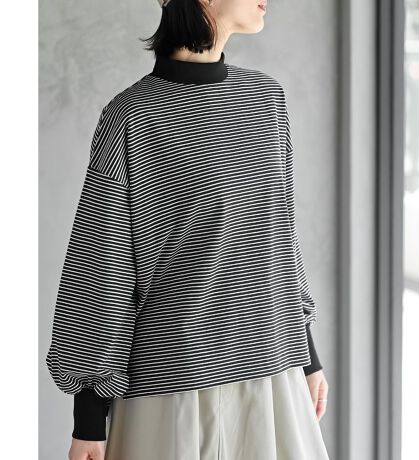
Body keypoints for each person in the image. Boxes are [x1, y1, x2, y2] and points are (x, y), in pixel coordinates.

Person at [45, 0, 330, 459]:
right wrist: (89, 420)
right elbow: (102, 267)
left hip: (273, 373)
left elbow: (277, 240)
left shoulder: (266, 101)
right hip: (173, 389)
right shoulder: (131, 117)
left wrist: (307, 357)